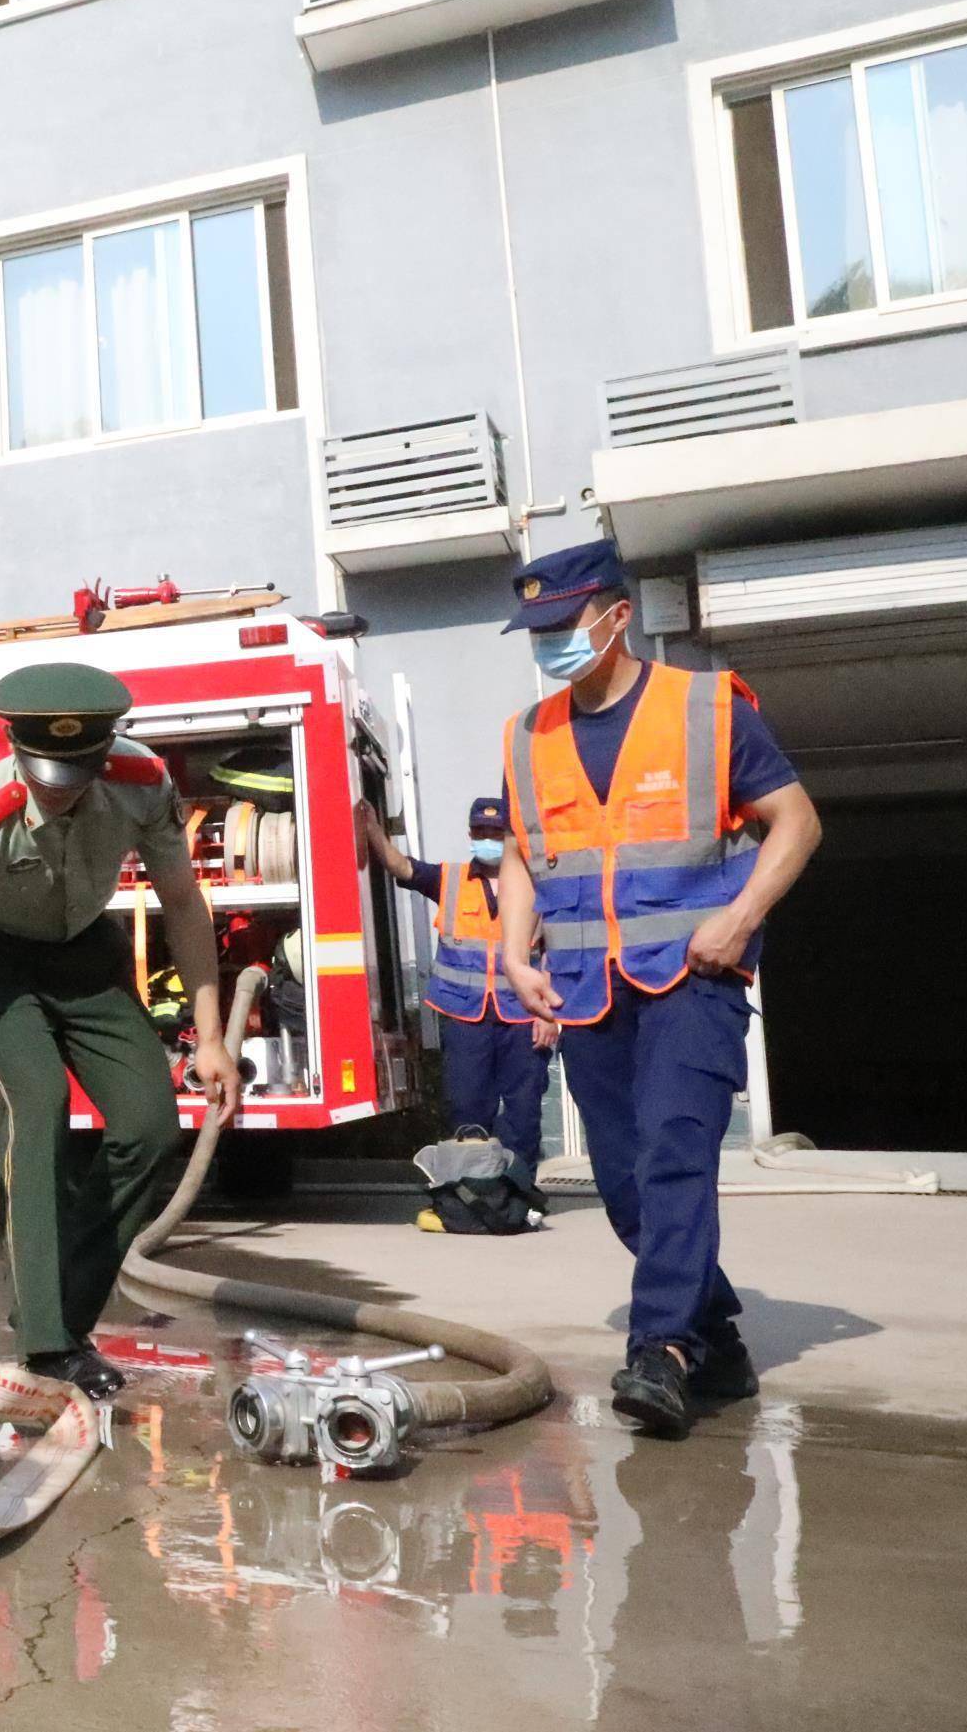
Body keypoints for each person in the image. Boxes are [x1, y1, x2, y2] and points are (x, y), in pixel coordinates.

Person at [492, 539, 821, 1439]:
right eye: (538, 630)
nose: (550, 642)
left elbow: (797, 820)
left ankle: (661, 1351)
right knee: (629, 1188)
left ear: (616, 615)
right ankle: (714, 1333)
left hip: (693, 976)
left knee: (676, 1149)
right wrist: (517, 954)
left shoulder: (707, 709)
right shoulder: (528, 736)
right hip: (586, 987)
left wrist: (741, 916)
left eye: (563, 625)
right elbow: (523, 851)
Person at [0, 662, 239, 1398]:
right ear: (14, 751)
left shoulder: (141, 782)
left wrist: (211, 1032)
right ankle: (47, 1343)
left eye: (75, 773)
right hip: (3, 967)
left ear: (103, 754)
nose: (58, 788)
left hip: (88, 958)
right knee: (39, 1108)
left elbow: (185, 905)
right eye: (45, 775)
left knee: (150, 1123)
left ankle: (63, 1307)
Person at [357, 795, 559, 1171]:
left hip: (522, 1017)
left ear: (509, 837)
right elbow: (401, 867)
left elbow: (554, 952)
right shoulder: (449, 880)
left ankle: (517, 1192)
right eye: (480, 831)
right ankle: (473, 1189)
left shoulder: (539, 887)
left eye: (496, 832)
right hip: (464, 1016)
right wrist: (371, 828)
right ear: (470, 834)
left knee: (524, 1110)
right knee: (467, 1107)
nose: (487, 838)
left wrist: (549, 1016)